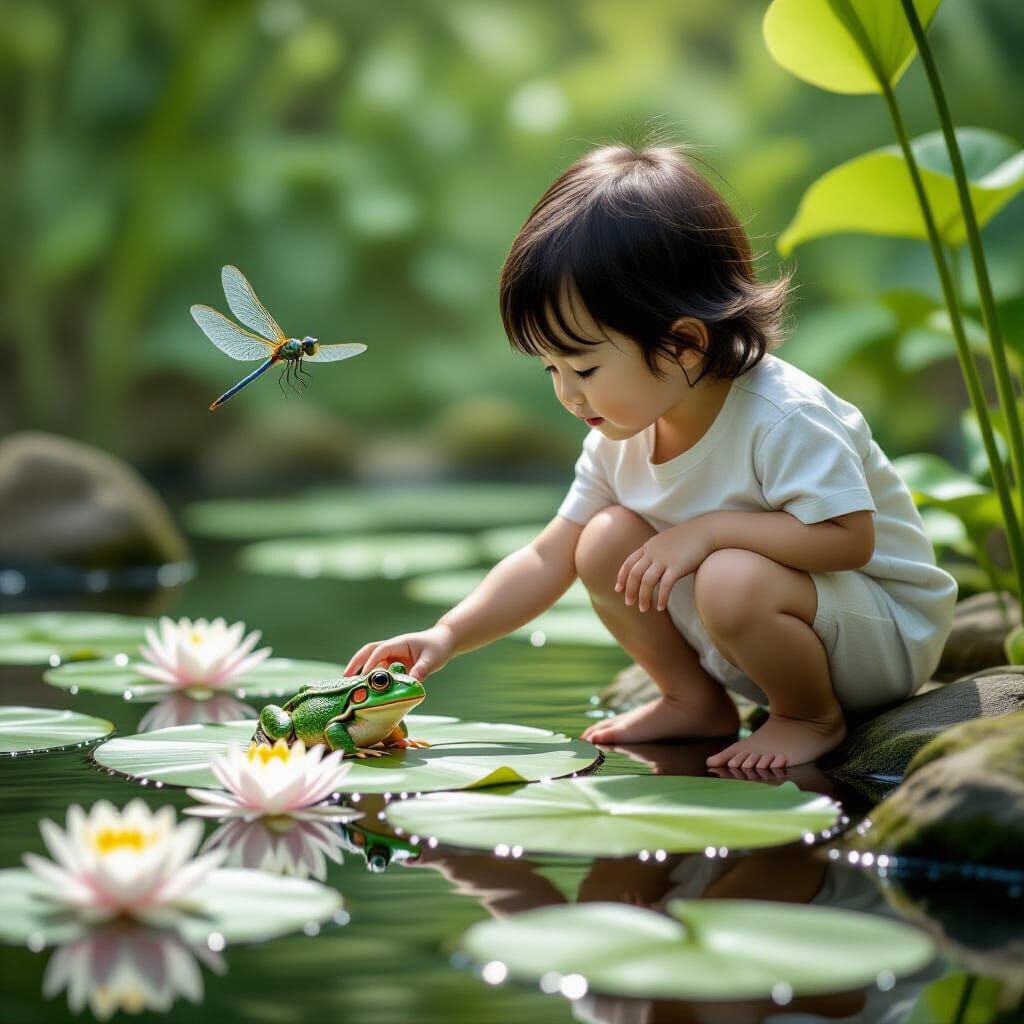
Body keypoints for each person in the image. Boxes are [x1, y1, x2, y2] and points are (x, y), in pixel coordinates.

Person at [345, 142, 958, 769]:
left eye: (583, 365)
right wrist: (445, 635)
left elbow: (849, 540)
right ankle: (692, 701)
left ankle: (809, 717)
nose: (565, 391)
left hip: (877, 638)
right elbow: (545, 556)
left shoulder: (784, 416)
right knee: (601, 538)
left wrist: (708, 533)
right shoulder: (621, 433)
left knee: (729, 572)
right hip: (764, 634)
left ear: (683, 345)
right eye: (551, 367)